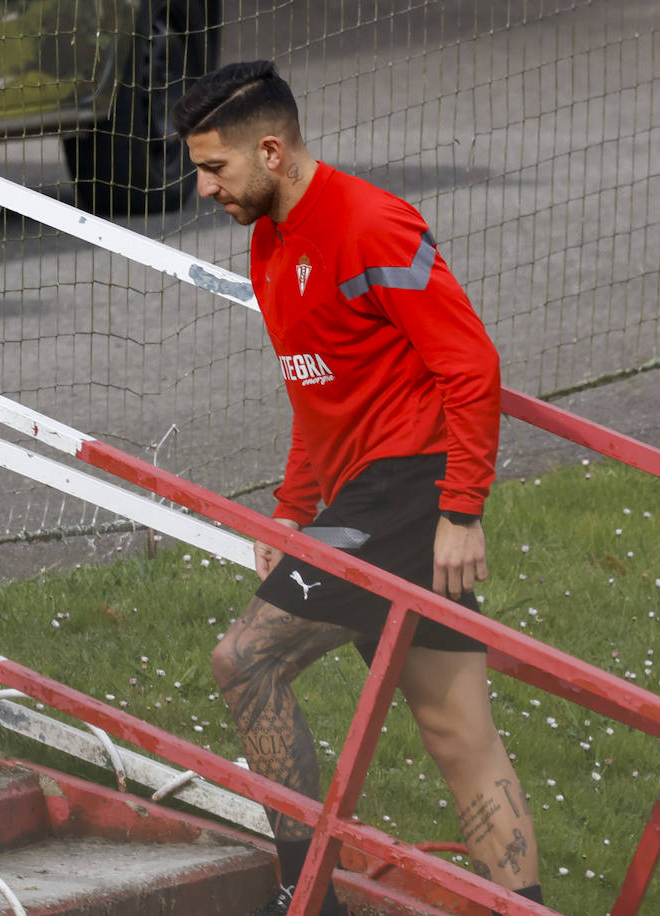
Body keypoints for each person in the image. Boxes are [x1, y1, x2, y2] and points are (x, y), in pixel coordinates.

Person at [169, 61, 543, 915]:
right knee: (458, 735)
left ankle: (308, 899)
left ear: (271, 149)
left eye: (215, 167)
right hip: (358, 501)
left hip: (409, 492)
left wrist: (460, 510)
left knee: (245, 659)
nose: (202, 188)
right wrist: (293, 512)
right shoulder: (268, 243)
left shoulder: (374, 224)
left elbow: (471, 366)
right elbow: (317, 396)